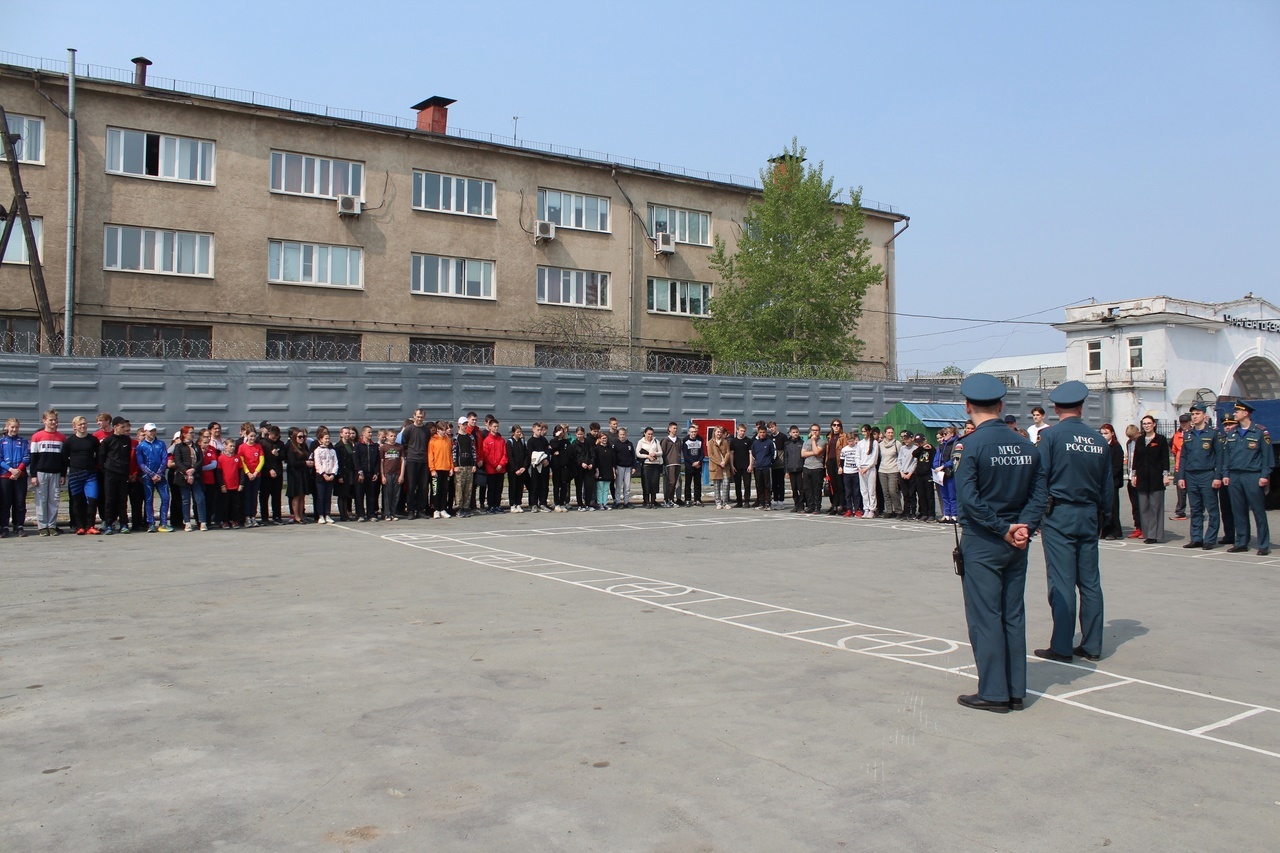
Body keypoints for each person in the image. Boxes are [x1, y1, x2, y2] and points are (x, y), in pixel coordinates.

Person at [953, 374, 1047, 713]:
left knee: (986, 616)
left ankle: (994, 692)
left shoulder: (968, 446)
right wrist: (1024, 527)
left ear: (968, 406)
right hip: (1018, 541)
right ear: (1001, 405)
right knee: (1013, 613)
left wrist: (1003, 528)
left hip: (984, 539)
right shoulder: (1025, 445)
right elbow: (1039, 493)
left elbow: (969, 499)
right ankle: (1015, 689)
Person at [1031, 381, 1111, 665]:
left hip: (1059, 514)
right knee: (1090, 582)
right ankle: (1092, 644)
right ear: (1081, 408)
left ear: (1056, 409)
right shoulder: (1098, 440)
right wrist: (1103, 516)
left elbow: (1040, 478)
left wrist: (1035, 515)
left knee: (1062, 581)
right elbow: (1107, 486)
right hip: (1088, 514)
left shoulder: (1050, 437)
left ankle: (1062, 645)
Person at [1221, 402, 1271, 556]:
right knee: (1238, 511)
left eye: (1237, 411)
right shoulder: (1232, 433)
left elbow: (1267, 457)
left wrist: (1264, 475)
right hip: (1235, 476)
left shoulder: (1260, 432)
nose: (1234, 414)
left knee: (1258, 511)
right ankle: (1241, 542)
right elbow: (1227, 456)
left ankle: (1263, 544)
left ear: (1246, 413)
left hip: (1252, 475)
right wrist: (1225, 474)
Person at [1174, 404, 1222, 550]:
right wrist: (1181, 476)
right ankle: (1196, 538)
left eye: (1197, 414)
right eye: (1193, 414)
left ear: (1204, 416)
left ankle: (1210, 539)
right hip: (1191, 475)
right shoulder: (1188, 434)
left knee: (1212, 509)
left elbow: (1219, 457)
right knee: (1195, 509)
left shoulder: (1213, 434)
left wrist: (1217, 476)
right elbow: (1183, 456)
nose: (1194, 417)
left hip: (1207, 474)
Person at [1131, 415, 1170, 544]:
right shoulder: (1140, 440)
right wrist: (1134, 475)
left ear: (1154, 424)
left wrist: (1165, 475)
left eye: (1149, 423)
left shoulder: (1161, 439)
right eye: (1144, 424)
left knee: (1155, 506)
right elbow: (1136, 459)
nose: (1146, 426)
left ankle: (1154, 534)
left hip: (1156, 477)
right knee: (1143, 506)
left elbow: (1165, 458)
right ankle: (1147, 533)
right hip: (1142, 477)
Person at [29, 409, 68, 535]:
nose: (53, 422)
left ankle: (52, 525)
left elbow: (64, 459)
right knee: (41, 500)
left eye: (55, 420)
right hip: (41, 472)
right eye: (51, 420)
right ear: (44, 421)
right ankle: (42, 526)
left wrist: (63, 474)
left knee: (54, 500)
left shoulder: (62, 437)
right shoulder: (37, 437)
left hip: (56, 473)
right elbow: (33, 458)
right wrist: (33, 475)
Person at [64, 417, 102, 535]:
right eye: (80, 424)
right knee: (77, 501)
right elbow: (64, 458)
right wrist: (74, 465)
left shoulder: (93, 440)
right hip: (75, 475)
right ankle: (80, 526)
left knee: (92, 500)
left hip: (90, 475)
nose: (82, 426)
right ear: (74, 426)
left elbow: (99, 456)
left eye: (84, 424)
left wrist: (92, 465)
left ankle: (90, 526)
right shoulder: (69, 441)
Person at [135, 422, 173, 533]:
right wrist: (152, 474)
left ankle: (163, 523)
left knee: (166, 498)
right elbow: (141, 463)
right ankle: (151, 524)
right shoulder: (141, 446)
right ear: (145, 432)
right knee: (149, 499)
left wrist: (159, 473)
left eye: (154, 430)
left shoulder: (161, 444)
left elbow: (164, 459)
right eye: (150, 431)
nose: (153, 432)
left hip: (160, 476)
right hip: (147, 477)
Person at [98, 417, 134, 535]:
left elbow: (127, 456)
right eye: (122, 427)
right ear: (115, 427)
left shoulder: (127, 440)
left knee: (122, 500)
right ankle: (109, 524)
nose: (124, 429)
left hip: (123, 474)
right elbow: (101, 458)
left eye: (125, 427)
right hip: (110, 474)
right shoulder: (108, 441)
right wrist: (107, 471)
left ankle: (123, 524)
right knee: (109, 499)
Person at [0, 417, 31, 537]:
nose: (14, 429)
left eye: (16, 427)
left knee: (19, 502)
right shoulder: (1, 442)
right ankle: (4, 527)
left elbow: (27, 457)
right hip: (5, 475)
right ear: (7, 427)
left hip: (20, 475)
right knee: (5, 502)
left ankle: (19, 526)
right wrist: (10, 470)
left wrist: (18, 470)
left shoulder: (23, 442)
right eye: (12, 427)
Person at [171, 426, 204, 532]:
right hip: (183, 477)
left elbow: (200, 460)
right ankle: (187, 522)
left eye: (193, 433)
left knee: (200, 499)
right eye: (190, 433)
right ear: (184, 434)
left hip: (195, 476)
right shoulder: (179, 447)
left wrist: (193, 470)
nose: (193, 435)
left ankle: (202, 521)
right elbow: (178, 461)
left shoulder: (196, 447)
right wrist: (186, 471)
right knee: (185, 500)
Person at [401, 410, 432, 519]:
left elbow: (428, 444)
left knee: (423, 487)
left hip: (423, 461)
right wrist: (410, 454)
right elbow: (404, 444)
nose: (419, 419)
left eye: (421, 417)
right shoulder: (409, 429)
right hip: (412, 461)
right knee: (411, 486)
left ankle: (420, 510)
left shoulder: (426, 430)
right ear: (414, 416)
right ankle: (411, 510)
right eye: (418, 417)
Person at [1098, 424, 1125, 540]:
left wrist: (1107, 477)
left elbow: (1117, 466)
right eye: (1102, 433)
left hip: (1112, 482)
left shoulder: (1116, 447)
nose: (1103, 436)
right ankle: (1104, 529)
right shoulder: (1100, 446)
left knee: (1113, 507)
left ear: (1112, 434)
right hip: (1102, 482)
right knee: (1102, 507)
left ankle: (1115, 531)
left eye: (1106, 433)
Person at [237, 425, 265, 528]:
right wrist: (248, 473)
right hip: (247, 476)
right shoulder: (242, 447)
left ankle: (253, 516)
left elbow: (262, 460)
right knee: (247, 496)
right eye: (251, 436)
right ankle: (247, 517)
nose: (252, 438)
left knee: (254, 496)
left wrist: (256, 472)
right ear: (247, 436)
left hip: (256, 476)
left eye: (254, 436)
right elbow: (242, 461)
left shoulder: (258, 447)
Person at [452, 415, 479, 517]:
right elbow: (454, 452)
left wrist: (474, 464)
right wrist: (455, 465)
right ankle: (459, 508)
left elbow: (473, 451)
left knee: (468, 488)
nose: (465, 426)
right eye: (463, 424)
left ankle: (466, 507)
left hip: (469, 465)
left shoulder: (470, 437)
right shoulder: (456, 438)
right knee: (459, 488)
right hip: (460, 466)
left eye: (466, 424)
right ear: (459, 425)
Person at [259, 424, 286, 524]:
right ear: (269, 434)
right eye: (273, 437)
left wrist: (278, 455)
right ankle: (264, 517)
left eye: (276, 437)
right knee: (264, 497)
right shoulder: (263, 443)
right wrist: (269, 469)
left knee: (276, 496)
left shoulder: (280, 444)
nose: (274, 439)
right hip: (265, 474)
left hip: (277, 473)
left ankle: (277, 516)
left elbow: (284, 457)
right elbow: (262, 460)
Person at [481, 418, 509, 513]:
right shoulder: (487, 440)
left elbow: (505, 454)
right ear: (490, 427)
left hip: (501, 469)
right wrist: (495, 465)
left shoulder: (501, 440)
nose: (496, 428)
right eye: (494, 426)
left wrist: (501, 464)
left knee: (499, 488)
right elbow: (486, 455)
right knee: (491, 488)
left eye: (497, 426)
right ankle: (491, 505)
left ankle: (497, 505)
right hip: (491, 470)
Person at [310, 428, 337, 525]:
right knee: (321, 496)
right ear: (321, 440)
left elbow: (336, 463)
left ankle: (327, 514)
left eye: (328, 438)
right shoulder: (317, 450)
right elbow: (317, 464)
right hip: (321, 476)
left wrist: (333, 474)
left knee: (328, 497)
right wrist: (324, 474)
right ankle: (321, 515)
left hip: (330, 476)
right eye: (326, 438)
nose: (327, 440)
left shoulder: (332, 451)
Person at [285, 427, 311, 524]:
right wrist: (305, 463)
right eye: (299, 437)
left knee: (302, 495)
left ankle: (301, 514)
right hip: (295, 475)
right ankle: (296, 516)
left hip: (303, 473)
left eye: (303, 437)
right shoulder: (292, 448)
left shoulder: (304, 446)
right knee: (296, 495)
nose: (302, 439)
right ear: (294, 437)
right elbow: (292, 463)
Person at [526, 422, 551, 512]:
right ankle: (534, 504)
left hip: (545, 466)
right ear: (533, 430)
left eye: (541, 430)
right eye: (538, 430)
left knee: (544, 485)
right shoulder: (530, 441)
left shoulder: (544, 440)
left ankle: (543, 503)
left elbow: (547, 451)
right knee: (535, 485)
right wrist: (540, 460)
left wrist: (546, 460)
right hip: (535, 466)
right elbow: (531, 453)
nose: (540, 431)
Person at [855, 424, 880, 519]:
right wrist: (859, 467)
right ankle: (866, 508)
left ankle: (872, 509)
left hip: (870, 468)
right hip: (861, 468)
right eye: (862, 431)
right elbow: (857, 456)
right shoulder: (860, 443)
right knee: (864, 490)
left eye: (865, 431)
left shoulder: (874, 443)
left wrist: (867, 467)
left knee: (871, 490)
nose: (864, 433)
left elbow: (874, 457)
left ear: (869, 431)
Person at [800, 423, 825, 516]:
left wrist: (814, 441)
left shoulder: (822, 442)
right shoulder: (806, 442)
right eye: (813, 430)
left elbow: (818, 451)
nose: (815, 432)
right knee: (807, 488)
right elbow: (803, 454)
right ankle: (810, 506)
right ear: (810, 431)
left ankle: (817, 506)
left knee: (817, 489)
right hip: (807, 467)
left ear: (819, 432)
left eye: (816, 430)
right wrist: (814, 452)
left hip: (817, 467)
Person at [1123, 424, 1143, 538]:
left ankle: (1145, 527)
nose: (1132, 439)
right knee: (1135, 505)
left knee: (1142, 505)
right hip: (1131, 476)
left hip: (1140, 477)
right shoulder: (1129, 443)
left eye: (1133, 437)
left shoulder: (1143, 442)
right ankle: (1138, 527)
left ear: (1138, 433)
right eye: (1129, 437)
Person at [1170, 413, 1192, 520]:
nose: (1183, 424)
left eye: (1185, 422)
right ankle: (1180, 512)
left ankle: (1197, 511)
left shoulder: (1194, 433)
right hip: (1179, 467)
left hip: (1192, 467)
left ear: (1190, 422)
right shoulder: (1177, 435)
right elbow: (1174, 451)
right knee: (1180, 492)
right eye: (1182, 422)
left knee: (1193, 491)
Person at [878, 426, 902, 518]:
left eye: (892, 432)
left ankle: (898, 510)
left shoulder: (897, 444)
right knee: (886, 492)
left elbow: (900, 456)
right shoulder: (880, 445)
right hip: (882, 470)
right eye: (888, 433)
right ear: (885, 434)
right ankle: (889, 510)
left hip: (893, 470)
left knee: (893, 491)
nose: (890, 434)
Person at [636, 426, 663, 509]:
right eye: (648, 434)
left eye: (651, 434)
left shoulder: (656, 441)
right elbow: (638, 453)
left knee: (654, 483)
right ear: (645, 433)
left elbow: (661, 452)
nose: (650, 436)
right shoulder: (641, 442)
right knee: (646, 483)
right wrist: (647, 456)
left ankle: (653, 501)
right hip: (646, 465)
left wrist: (655, 453)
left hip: (655, 464)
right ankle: (646, 501)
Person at [380, 429, 404, 521]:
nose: (393, 438)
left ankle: (393, 513)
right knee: (387, 495)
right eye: (391, 436)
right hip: (387, 474)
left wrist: (401, 475)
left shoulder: (399, 447)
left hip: (397, 474)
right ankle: (387, 513)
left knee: (396, 495)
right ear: (387, 436)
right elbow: (381, 462)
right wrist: (383, 476)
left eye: (394, 436)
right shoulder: (384, 447)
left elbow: (402, 461)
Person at [749, 424, 774, 509]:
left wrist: (768, 462)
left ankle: (768, 503)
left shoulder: (770, 442)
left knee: (767, 486)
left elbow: (773, 454)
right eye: (760, 432)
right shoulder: (755, 443)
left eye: (764, 432)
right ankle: (761, 503)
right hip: (758, 467)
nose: (762, 434)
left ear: (766, 433)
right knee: (759, 485)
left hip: (766, 467)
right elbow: (753, 454)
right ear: (758, 433)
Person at [707, 426, 732, 509]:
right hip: (716, 466)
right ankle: (718, 502)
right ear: (714, 432)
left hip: (725, 466)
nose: (719, 433)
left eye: (720, 432)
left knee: (726, 484)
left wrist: (725, 461)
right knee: (716, 485)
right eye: (717, 432)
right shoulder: (710, 442)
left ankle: (725, 502)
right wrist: (719, 462)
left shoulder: (725, 442)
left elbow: (728, 452)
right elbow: (710, 455)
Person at [549, 424, 572, 512]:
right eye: (559, 431)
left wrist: (560, 453)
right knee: (556, 485)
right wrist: (557, 438)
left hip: (564, 466)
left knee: (564, 485)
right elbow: (553, 449)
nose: (561, 433)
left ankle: (562, 503)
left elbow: (569, 452)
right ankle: (557, 503)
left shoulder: (566, 442)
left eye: (562, 431)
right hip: (556, 467)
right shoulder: (553, 441)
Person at [572, 425, 596, 510]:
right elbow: (574, 457)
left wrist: (592, 464)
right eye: (578, 434)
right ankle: (580, 504)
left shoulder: (588, 442)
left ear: (584, 434)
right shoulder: (574, 444)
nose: (580, 436)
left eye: (581, 434)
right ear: (576, 434)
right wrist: (581, 463)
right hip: (579, 468)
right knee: (579, 486)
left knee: (588, 486)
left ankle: (588, 504)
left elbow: (592, 454)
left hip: (588, 468)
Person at [781, 425, 804, 512]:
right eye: (793, 432)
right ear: (790, 433)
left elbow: (804, 457)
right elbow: (786, 458)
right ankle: (796, 505)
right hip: (791, 469)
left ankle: (801, 505)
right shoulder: (787, 444)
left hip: (800, 469)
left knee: (801, 488)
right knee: (794, 488)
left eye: (797, 432)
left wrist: (804, 470)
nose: (795, 434)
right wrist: (786, 471)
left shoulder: (802, 443)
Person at [729, 424, 752, 508]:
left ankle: (747, 501)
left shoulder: (748, 441)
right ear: (737, 430)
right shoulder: (733, 441)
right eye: (741, 431)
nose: (742, 432)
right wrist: (732, 465)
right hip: (736, 466)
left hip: (746, 466)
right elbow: (731, 454)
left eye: (744, 431)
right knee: (737, 485)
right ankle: (739, 501)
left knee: (747, 484)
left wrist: (750, 465)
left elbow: (750, 453)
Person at [506, 424, 529, 512]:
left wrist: (524, 467)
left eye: (520, 432)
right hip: (513, 470)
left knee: (520, 487)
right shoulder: (510, 442)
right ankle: (512, 504)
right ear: (513, 433)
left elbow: (526, 455)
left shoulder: (522, 442)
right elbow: (510, 457)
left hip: (521, 469)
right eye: (517, 432)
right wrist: (515, 469)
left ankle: (518, 503)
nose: (519, 434)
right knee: (513, 487)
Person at [660, 422, 682, 507]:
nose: (675, 430)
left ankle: (671, 500)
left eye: (676, 428)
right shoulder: (665, 440)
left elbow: (679, 450)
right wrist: (664, 463)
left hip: (677, 463)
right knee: (670, 482)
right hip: (669, 464)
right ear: (669, 429)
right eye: (674, 428)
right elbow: (663, 452)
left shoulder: (678, 440)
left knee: (675, 482)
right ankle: (667, 500)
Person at [682, 424, 704, 507]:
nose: (693, 433)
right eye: (692, 432)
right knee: (688, 483)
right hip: (689, 465)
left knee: (697, 483)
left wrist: (698, 462)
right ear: (689, 432)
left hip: (698, 465)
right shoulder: (686, 441)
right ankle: (688, 500)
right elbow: (685, 454)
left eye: (695, 432)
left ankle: (697, 499)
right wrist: (693, 463)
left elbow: (702, 453)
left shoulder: (700, 441)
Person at [613, 427, 635, 509]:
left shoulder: (629, 444)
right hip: (619, 467)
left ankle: (626, 501)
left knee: (627, 486)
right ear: (618, 435)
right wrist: (615, 467)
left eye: (624, 434)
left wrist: (634, 467)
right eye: (621, 434)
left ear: (626, 435)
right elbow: (613, 457)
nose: (622, 436)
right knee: (618, 485)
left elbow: (633, 456)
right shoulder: (615, 444)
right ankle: (617, 502)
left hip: (628, 467)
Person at [593, 431, 615, 509]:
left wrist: (613, 472)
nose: (604, 440)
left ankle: (605, 503)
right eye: (602, 438)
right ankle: (600, 503)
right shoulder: (596, 449)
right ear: (599, 439)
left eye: (605, 438)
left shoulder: (610, 449)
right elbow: (595, 461)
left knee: (606, 489)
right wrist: (597, 471)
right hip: (600, 471)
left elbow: (613, 461)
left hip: (608, 471)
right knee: (600, 489)